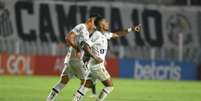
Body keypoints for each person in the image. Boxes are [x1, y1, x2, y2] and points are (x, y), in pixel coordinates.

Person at [73, 16, 141, 101]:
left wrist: (132, 29)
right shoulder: (97, 35)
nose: (107, 23)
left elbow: (117, 34)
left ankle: (76, 99)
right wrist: (95, 57)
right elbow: (86, 46)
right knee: (109, 86)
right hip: (96, 65)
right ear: (101, 25)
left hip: (94, 65)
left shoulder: (105, 34)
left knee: (88, 84)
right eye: (105, 22)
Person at [47, 14, 102, 101]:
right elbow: (69, 38)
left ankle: (49, 99)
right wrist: (93, 56)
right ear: (91, 20)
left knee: (63, 81)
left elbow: (72, 40)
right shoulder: (82, 27)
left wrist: (75, 46)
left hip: (70, 60)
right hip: (77, 60)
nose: (95, 27)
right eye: (95, 24)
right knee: (88, 82)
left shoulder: (85, 32)